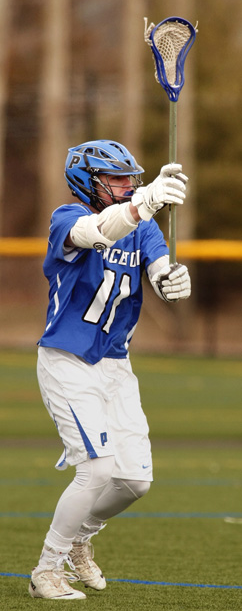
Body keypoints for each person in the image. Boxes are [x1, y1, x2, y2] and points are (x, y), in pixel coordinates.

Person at [29, 139, 191, 600]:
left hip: (116, 363)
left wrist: (172, 281)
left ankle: (82, 537)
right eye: (116, 179)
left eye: (131, 179)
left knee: (135, 480)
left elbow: (159, 269)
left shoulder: (143, 226)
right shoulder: (68, 219)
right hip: (68, 360)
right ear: (88, 182)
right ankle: (47, 571)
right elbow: (97, 231)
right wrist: (143, 204)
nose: (127, 185)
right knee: (97, 471)